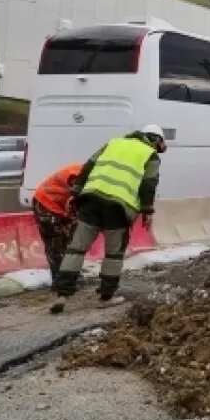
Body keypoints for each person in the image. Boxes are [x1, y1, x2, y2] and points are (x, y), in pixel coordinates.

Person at [50, 125, 166, 314]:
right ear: (157, 141)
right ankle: (106, 296)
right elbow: (148, 184)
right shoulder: (150, 155)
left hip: (91, 201)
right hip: (118, 208)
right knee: (113, 253)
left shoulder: (113, 143)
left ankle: (62, 295)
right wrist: (147, 211)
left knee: (76, 248)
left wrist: (76, 191)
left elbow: (88, 165)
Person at [31, 162, 84, 285]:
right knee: (56, 243)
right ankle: (59, 280)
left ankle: (69, 275)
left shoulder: (88, 175)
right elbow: (80, 198)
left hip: (62, 206)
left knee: (70, 240)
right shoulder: (76, 175)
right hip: (45, 203)